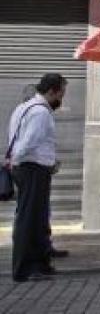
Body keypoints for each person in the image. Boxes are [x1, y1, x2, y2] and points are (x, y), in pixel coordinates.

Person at [7, 73, 66, 282]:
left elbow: (16, 138)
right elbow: (29, 142)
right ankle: (25, 269)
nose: (61, 99)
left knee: (37, 218)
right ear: (51, 91)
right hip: (31, 169)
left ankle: (41, 264)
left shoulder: (23, 107)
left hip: (30, 167)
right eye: (61, 94)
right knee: (29, 220)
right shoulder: (40, 112)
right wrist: (17, 159)